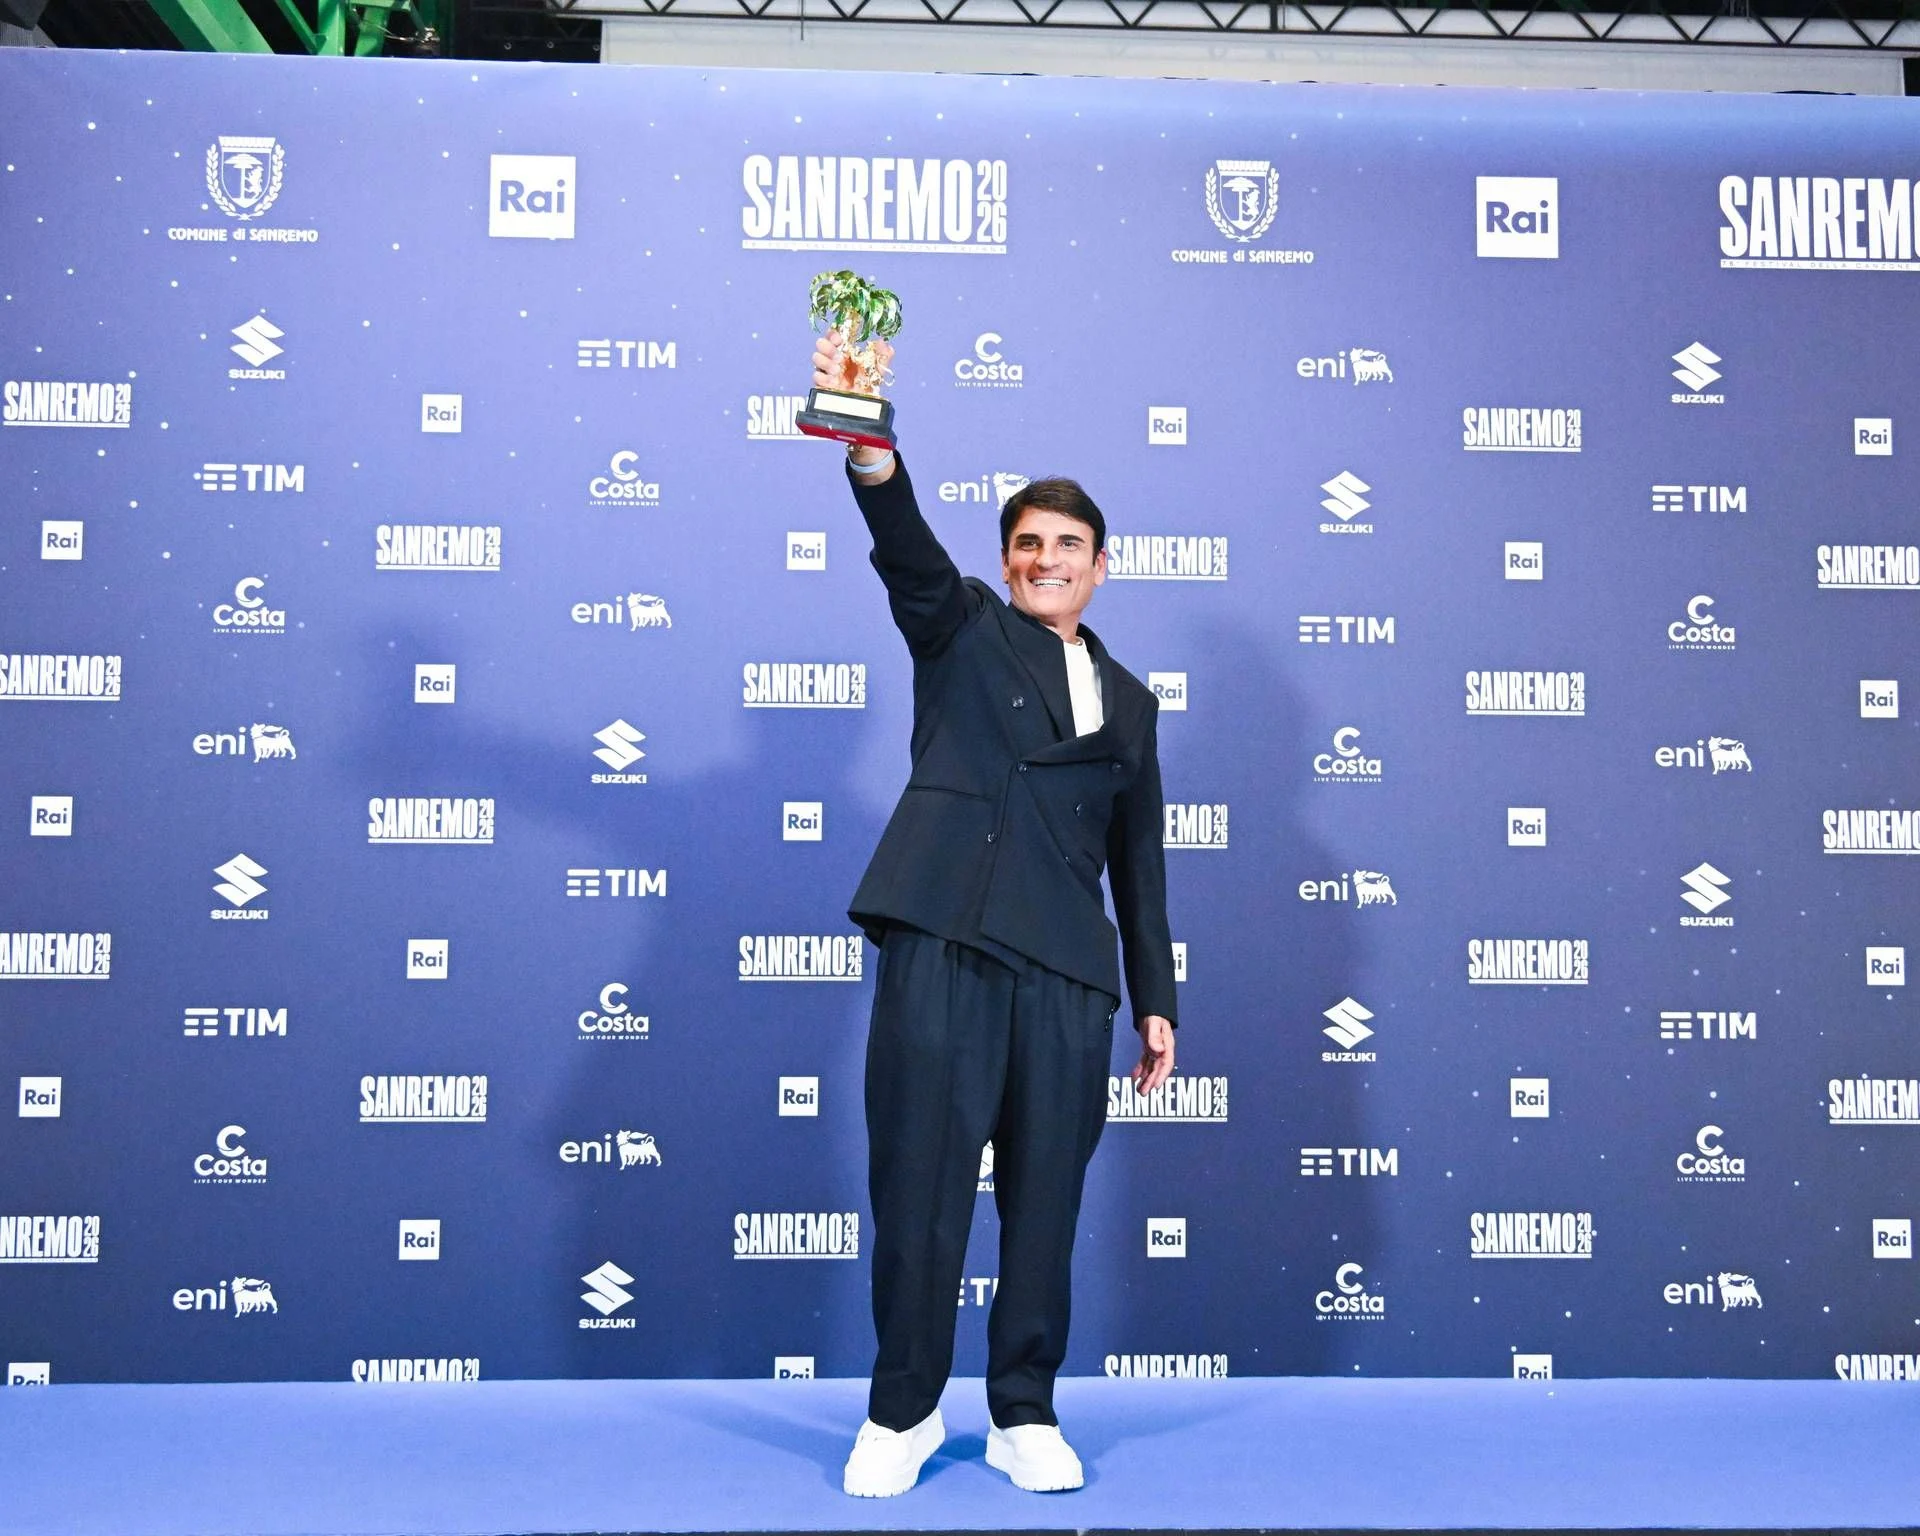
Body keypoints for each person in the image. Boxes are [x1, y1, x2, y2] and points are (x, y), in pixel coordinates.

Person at [813, 332, 1179, 1498]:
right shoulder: (963, 628)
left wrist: (1157, 1003)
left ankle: (1025, 1410)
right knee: (919, 1189)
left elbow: (1139, 862)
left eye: (1067, 546)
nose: (1045, 560)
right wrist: (868, 442)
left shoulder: (1133, 704)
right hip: (948, 940)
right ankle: (904, 1412)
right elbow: (904, 547)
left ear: (1101, 567)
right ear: (1007, 562)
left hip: (1067, 973)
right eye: (1027, 544)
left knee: (1045, 1205)